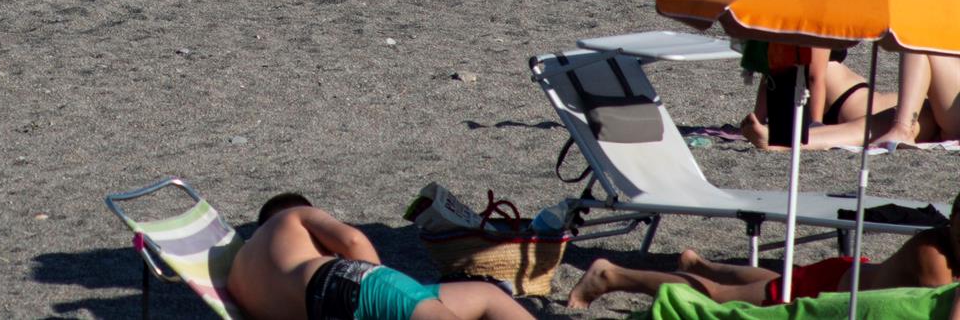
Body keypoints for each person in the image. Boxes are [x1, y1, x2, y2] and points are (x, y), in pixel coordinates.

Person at [229, 191, 536, 320]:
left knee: (485, 295)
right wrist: (382, 281)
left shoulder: (240, 277)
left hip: (324, 310)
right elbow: (352, 239)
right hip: (349, 284)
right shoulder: (289, 215)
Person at [567, 210, 956, 309]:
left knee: (766, 285)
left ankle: (699, 266)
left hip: (845, 276)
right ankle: (612, 275)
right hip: (827, 292)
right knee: (719, 298)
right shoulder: (933, 255)